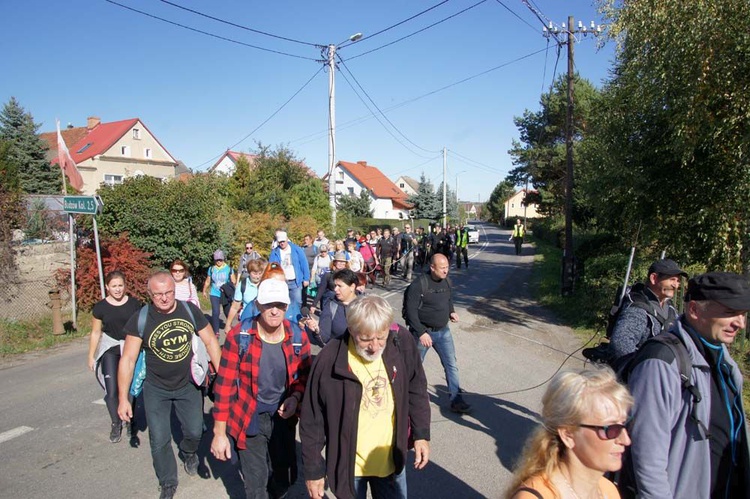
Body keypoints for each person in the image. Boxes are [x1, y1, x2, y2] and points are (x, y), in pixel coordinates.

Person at [619, 272, 750, 499]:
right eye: (730, 313)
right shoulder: (662, 361)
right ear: (694, 310)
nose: (740, 323)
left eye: (743, 314)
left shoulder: (724, 363)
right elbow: (647, 456)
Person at [300, 295, 431, 499]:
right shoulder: (329, 359)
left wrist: (421, 434)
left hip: (390, 462)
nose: (375, 346)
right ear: (351, 330)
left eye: (381, 337)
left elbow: (417, 387)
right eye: (366, 339)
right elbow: (312, 420)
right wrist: (314, 470)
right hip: (350, 468)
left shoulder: (400, 341)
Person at [118, 271, 222, 499]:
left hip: (188, 385)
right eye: (158, 294)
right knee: (159, 438)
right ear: (149, 294)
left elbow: (210, 341)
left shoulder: (189, 310)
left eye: (169, 293)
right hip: (156, 389)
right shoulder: (141, 318)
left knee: (195, 431)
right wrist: (123, 398)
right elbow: (127, 359)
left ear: (175, 290)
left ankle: (189, 451)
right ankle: (167, 481)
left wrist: (222, 376)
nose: (164, 298)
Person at [211, 278, 312, 499]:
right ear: (258, 305)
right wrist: (219, 433)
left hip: (283, 417)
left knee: (284, 476)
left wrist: (296, 396)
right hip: (249, 416)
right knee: (256, 483)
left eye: (280, 305)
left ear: (287, 306)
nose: (274, 311)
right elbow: (225, 385)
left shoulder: (298, 336)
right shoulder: (239, 337)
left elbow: (305, 376)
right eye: (268, 305)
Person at [506, 368, 633, 499]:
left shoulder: (608, 491)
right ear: (568, 435)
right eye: (612, 429)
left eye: (624, 425)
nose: (625, 440)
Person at [403, 253, 471, 414]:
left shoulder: (447, 281)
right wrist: (421, 333)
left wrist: (451, 312)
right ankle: (406, 399)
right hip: (423, 334)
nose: (446, 271)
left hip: (443, 332)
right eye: (442, 268)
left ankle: (456, 400)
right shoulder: (419, 284)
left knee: (451, 365)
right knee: (413, 368)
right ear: (432, 267)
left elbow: (448, 299)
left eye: (447, 267)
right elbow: (410, 312)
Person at [88, 271, 143, 443]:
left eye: (120, 285)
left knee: (131, 389)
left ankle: (130, 422)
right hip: (111, 349)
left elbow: (142, 328)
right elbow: (96, 332)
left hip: (130, 349)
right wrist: (91, 356)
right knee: (111, 391)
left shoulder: (135, 304)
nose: (118, 289)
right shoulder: (100, 307)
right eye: (114, 286)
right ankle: (115, 422)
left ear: (125, 286)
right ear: (107, 287)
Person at [608, 259, 686, 362]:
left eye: (677, 280)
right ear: (654, 278)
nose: (676, 285)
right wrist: (643, 368)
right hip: (642, 373)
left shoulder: (670, 308)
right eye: (672, 279)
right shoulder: (638, 308)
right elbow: (620, 342)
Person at [304, 268, 360, 345]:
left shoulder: (365, 305)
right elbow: (324, 338)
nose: (335, 289)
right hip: (338, 353)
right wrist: (317, 330)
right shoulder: (331, 305)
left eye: (340, 286)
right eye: (335, 285)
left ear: (352, 287)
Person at [269, 231, 310, 314]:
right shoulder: (275, 252)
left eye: (283, 241)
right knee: (283, 302)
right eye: (280, 242)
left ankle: (296, 318)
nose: (282, 243)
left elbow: (304, 263)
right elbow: (271, 266)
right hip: (282, 282)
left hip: (295, 281)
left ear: (287, 239)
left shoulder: (296, 249)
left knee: (297, 301)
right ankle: (286, 319)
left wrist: (306, 278)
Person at [225, 258, 267, 328]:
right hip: (247, 320)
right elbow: (235, 307)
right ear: (249, 272)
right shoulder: (242, 285)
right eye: (255, 274)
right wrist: (228, 325)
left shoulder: (266, 283)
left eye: (260, 273)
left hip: (263, 321)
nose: (257, 276)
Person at [203, 249, 236, 336]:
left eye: (220, 259)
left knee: (227, 312)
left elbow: (234, 281)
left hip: (225, 294)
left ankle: (229, 326)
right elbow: (208, 281)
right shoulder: (211, 269)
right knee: (215, 312)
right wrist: (204, 291)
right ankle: (216, 331)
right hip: (214, 293)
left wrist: (235, 291)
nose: (219, 261)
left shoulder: (228, 269)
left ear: (223, 259)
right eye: (217, 260)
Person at [301, 234, 317, 307]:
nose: (305, 241)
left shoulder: (315, 248)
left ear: (311, 240)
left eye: (307, 239)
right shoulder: (302, 248)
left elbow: (318, 259)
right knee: (304, 288)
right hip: (304, 270)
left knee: (313, 288)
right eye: (305, 239)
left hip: (312, 270)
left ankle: (315, 304)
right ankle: (304, 304)